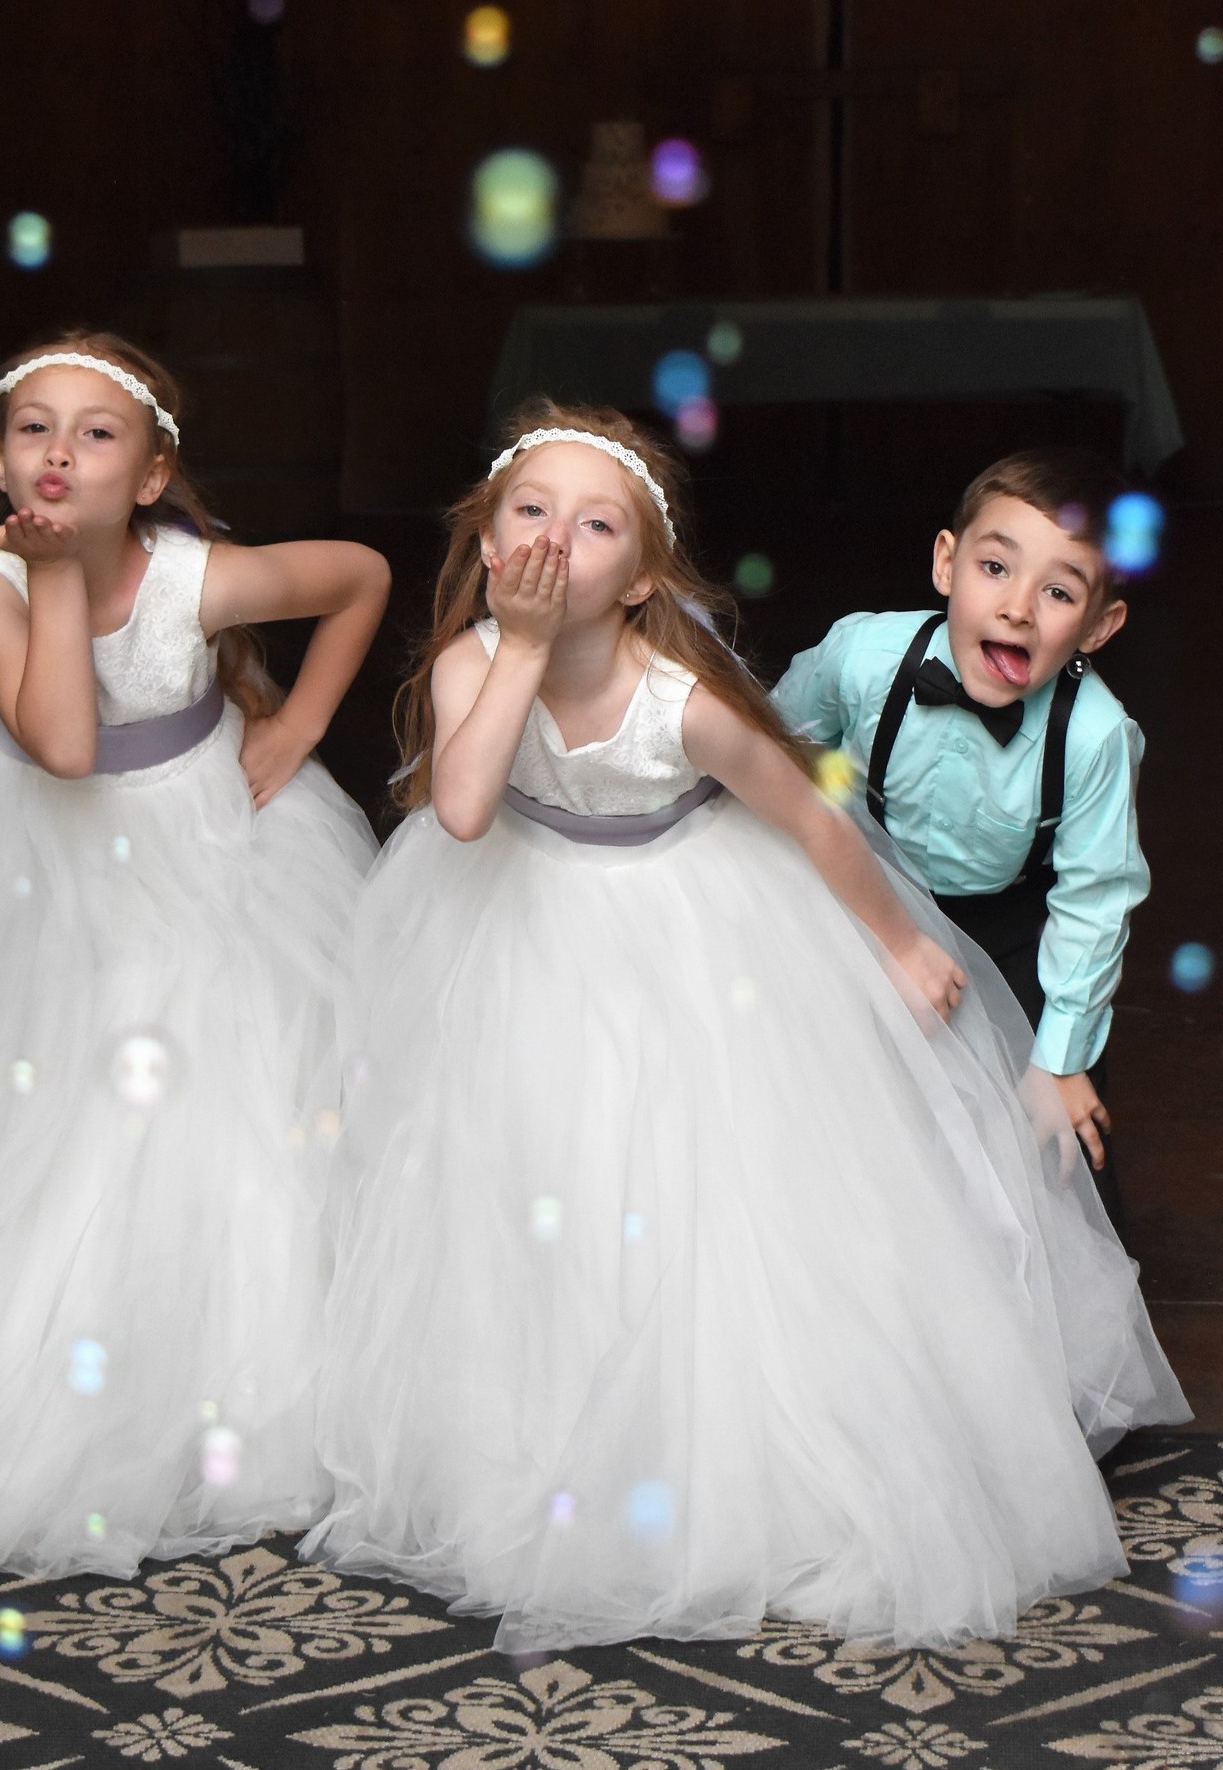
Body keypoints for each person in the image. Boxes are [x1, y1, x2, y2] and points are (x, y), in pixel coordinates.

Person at [302, 401, 1186, 1654]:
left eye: (595, 521)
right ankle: (530, 1428)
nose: (556, 538)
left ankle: (712, 1445)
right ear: (485, 540)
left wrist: (896, 940)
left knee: (696, 1186)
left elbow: (810, 816)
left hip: (685, 931)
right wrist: (516, 643)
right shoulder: (465, 665)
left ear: (645, 573)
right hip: (516, 928)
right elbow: (459, 807)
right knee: (524, 1171)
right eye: (528, 512)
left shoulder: (688, 704)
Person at [0, 331, 386, 1580]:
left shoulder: (197, 577)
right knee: (34, 1095)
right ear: (0, 453)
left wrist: (298, 720)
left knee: (237, 1081)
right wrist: (47, 579)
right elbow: (57, 742)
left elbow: (361, 573)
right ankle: (27, 1369)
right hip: (37, 850)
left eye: (96, 434)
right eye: (32, 427)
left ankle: (234, 1374)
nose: (57, 453)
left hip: (208, 841)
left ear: (150, 476)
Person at [772, 451, 1144, 1225]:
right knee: (831, 1088)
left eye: (1058, 591)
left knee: (1058, 1134)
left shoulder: (1095, 736)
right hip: (867, 894)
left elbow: (1094, 898)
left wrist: (1061, 1059)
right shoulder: (864, 657)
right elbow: (774, 745)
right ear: (947, 563)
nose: (1016, 609)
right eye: (996, 568)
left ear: (1099, 627)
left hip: (1013, 922)